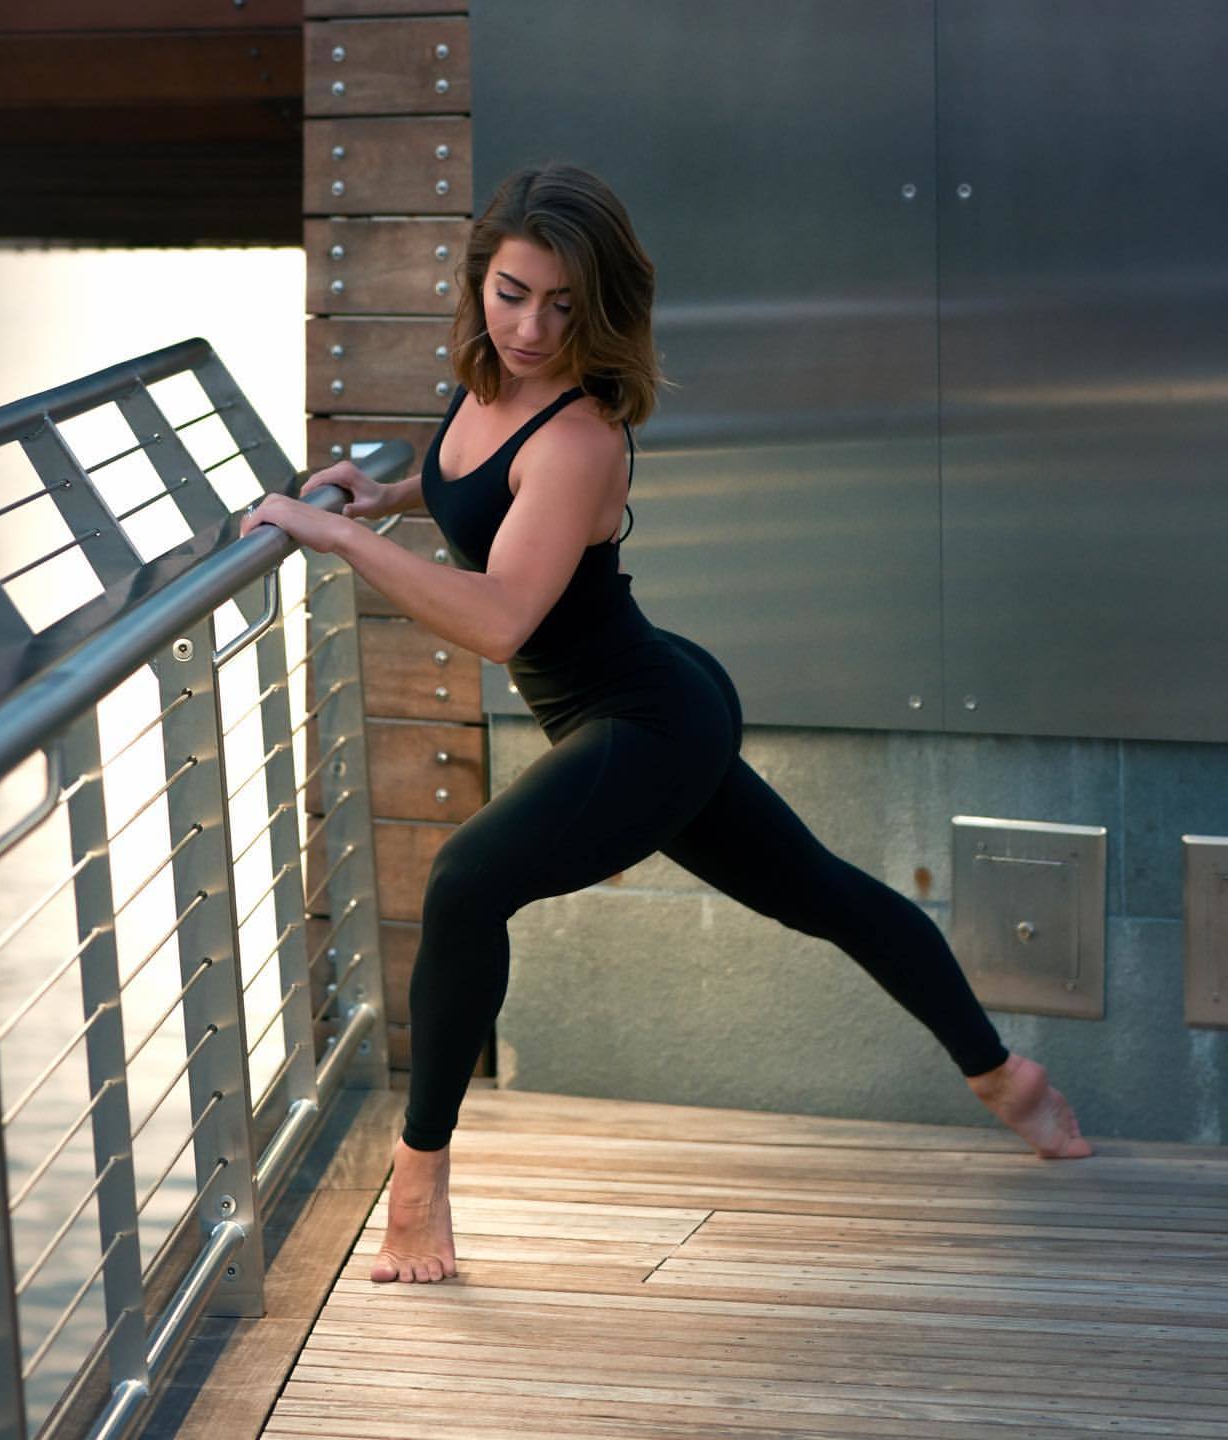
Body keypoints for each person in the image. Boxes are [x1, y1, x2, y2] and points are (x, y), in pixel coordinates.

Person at [240, 163, 1092, 1285]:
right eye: (511, 294)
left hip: (647, 723)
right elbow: (481, 493)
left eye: (561, 305)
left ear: (599, 305)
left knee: (465, 881)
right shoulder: (486, 380)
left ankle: (418, 1183)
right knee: (821, 893)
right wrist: (385, 493)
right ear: (479, 280)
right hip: (645, 695)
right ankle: (1005, 1080)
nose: (532, 328)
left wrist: (339, 538)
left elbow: (498, 619)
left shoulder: (581, 433)